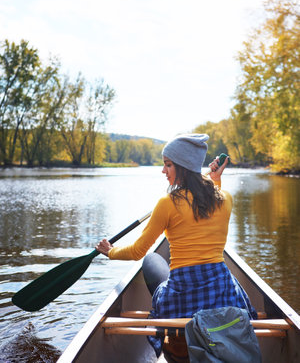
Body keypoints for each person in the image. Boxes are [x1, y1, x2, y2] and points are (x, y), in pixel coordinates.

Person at [96, 134, 257, 360]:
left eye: (168, 164)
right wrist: (213, 179)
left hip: (184, 291)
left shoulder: (166, 203)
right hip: (221, 288)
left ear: (183, 166)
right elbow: (211, 196)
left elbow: (136, 252)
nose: (164, 171)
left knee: (151, 260)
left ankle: (176, 345)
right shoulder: (225, 198)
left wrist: (110, 252)